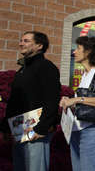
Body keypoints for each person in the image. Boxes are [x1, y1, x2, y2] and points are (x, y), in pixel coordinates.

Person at [2, 31, 61, 171]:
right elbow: (14, 101)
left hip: (36, 131)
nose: (21, 43)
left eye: (26, 41)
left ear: (39, 45)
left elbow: (52, 99)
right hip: (19, 129)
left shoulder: (46, 67)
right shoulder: (22, 70)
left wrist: (42, 127)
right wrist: (5, 127)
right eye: (21, 40)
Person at [59, 36, 95, 171]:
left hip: (93, 132)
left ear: (89, 51)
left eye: (78, 48)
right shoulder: (85, 74)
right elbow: (83, 104)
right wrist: (68, 102)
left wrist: (77, 99)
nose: (74, 52)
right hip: (77, 131)